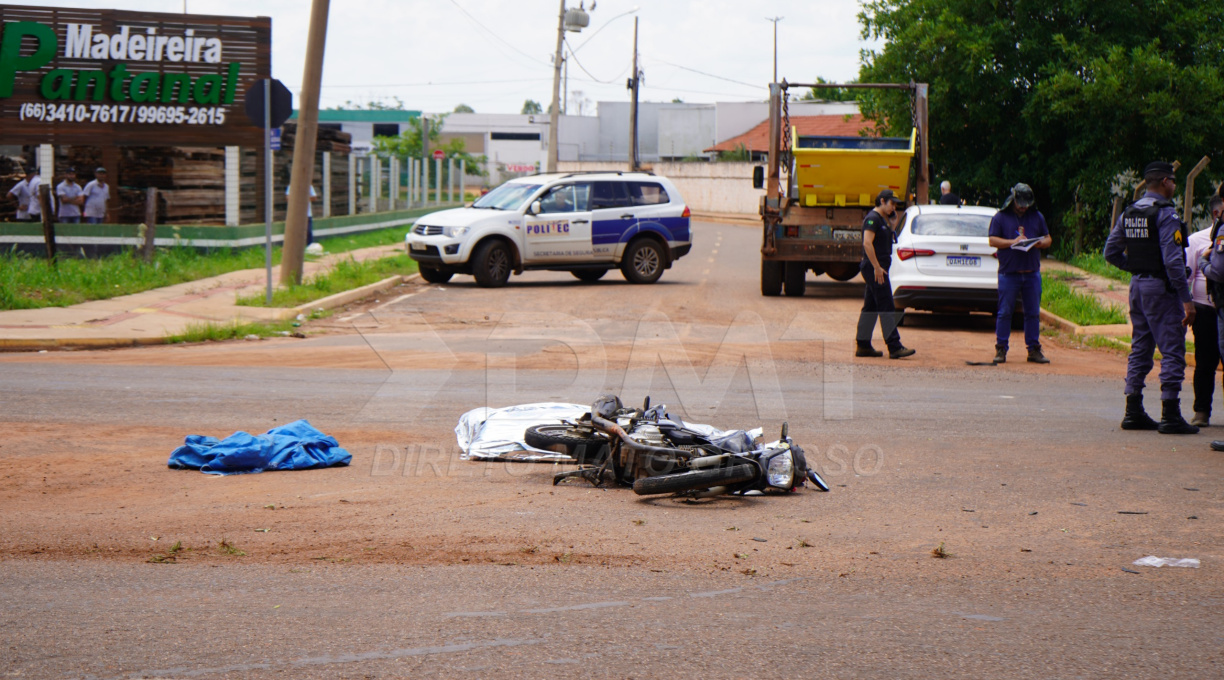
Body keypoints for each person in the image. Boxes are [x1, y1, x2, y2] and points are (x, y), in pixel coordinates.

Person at [1104, 161, 1197, 434]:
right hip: (1161, 290)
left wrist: (1134, 268)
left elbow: (1110, 252)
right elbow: (1173, 262)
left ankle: (1133, 410)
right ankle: (1170, 414)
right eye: (1173, 181)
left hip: (1137, 289)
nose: (1175, 186)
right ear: (1165, 182)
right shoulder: (1165, 214)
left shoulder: (1130, 213)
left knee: (1141, 347)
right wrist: (1187, 300)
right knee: (1172, 351)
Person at [988, 183, 1052, 364]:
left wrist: (1039, 243)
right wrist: (1012, 242)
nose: (1023, 207)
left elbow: (1048, 238)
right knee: (1005, 312)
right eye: (1020, 203)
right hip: (1009, 273)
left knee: (1032, 312)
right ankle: (1001, 349)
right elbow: (992, 240)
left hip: (1031, 273)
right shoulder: (1001, 217)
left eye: (1026, 204)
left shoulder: (1037, 216)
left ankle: (1033, 349)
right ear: (1013, 199)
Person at [856, 189, 915, 359]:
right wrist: (876, 267)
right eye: (891, 203)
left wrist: (893, 225)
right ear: (882, 201)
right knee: (887, 305)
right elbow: (867, 244)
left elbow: (884, 240)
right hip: (875, 268)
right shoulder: (872, 219)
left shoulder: (882, 220)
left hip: (879, 267)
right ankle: (894, 347)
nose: (894, 207)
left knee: (871, 306)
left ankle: (863, 345)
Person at [1185, 195, 1224, 426]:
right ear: (1215, 214)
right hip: (1205, 309)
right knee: (1205, 362)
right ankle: (1201, 411)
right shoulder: (1197, 240)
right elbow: (1186, 276)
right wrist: (1187, 305)